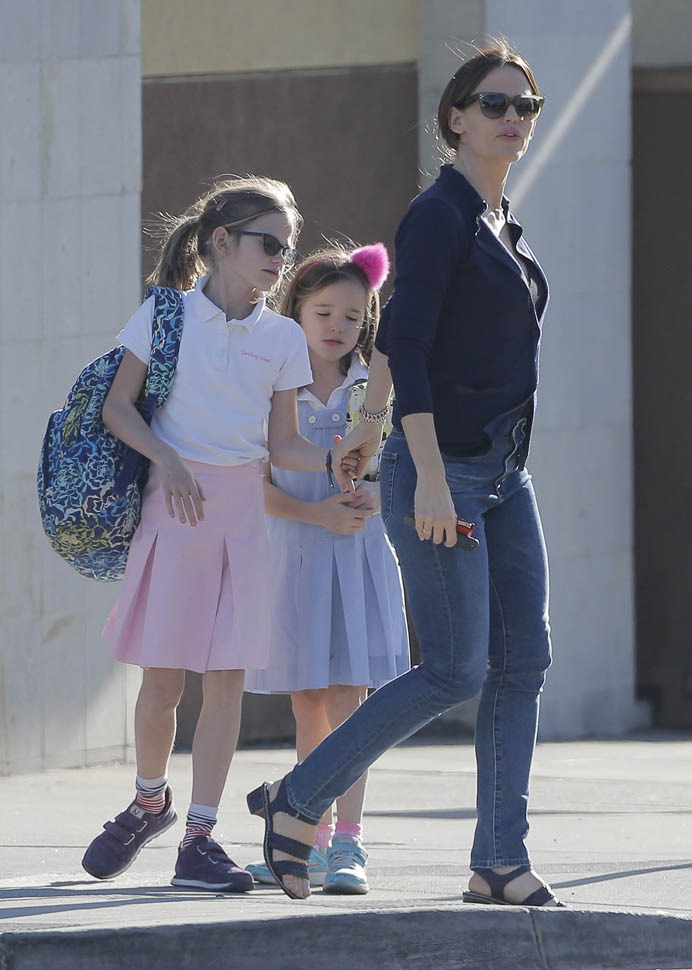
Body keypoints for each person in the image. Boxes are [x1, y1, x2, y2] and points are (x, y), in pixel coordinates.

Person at [246, 41, 564, 908]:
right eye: (494, 103)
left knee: (522, 662)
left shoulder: (500, 222)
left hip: (504, 471)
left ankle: (497, 860)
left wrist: (365, 420)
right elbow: (410, 344)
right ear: (455, 117)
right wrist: (420, 471)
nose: (512, 117)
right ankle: (298, 798)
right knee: (456, 667)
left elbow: (394, 341)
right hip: (446, 471)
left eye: (525, 105)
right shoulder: (440, 214)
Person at [80, 175, 353, 893]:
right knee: (163, 679)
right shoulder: (164, 314)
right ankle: (149, 802)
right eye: (269, 244)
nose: (280, 260)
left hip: (242, 521)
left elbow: (282, 444)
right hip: (174, 512)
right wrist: (167, 460)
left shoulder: (284, 338)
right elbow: (118, 408)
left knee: (227, 681)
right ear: (222, 242)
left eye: (286, 248)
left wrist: (337, 457)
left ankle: (199, 838)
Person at [244, 244, 409, 894]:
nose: (337, 325)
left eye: (352, 314)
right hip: (294, 558)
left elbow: (401, 472)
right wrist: (316, 515)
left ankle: (349, 844)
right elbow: (253, 486)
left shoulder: (375, 390)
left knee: (350, 701)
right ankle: (305, 839)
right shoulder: (272, 388)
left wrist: (376, 498)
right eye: (323, 311)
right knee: (308, 700)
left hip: (357, 558)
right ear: (297, 311)